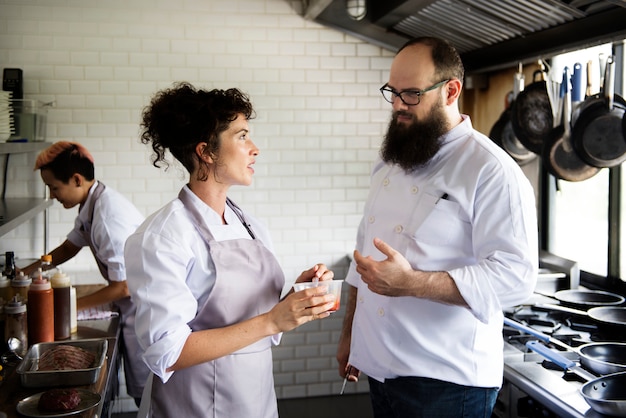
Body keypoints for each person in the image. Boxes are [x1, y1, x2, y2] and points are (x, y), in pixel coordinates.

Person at [336, 37, 538, 418]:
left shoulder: (491, 171)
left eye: (411, 94)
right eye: (392, 92)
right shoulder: (391, 162)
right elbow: (363, 255)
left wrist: (411, 283)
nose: (398, 105)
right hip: (381, 369)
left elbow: (516, 277)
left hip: (446, 381)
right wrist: (352, 335)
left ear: (451, 90)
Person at [124, 82, 337, 418]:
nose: (254, 148)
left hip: (255, 400)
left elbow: (253, 319)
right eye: (241, 136)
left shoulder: (249, 224)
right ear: (206, 152)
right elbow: (167, 351)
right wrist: (272, 321)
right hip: (191, 407)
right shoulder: (162, 236)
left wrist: (296, 299)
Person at [24, 141, 150, 406]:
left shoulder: (107, 216)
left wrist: (68, 309)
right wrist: (27, 271)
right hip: (133, 304)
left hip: (145, 310)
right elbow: (69, 247)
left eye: (54, 187)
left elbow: (122, 286)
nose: (52, 196)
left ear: (77, 179)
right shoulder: (93, 202)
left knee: (147, 394)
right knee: (144, 391)